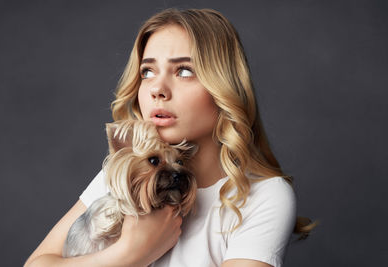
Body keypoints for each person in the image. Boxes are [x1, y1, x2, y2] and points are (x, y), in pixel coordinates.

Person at [25, 8, 314, 267]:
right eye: (147, 71)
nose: (157, 89)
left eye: (184, 71)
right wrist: (128, 254)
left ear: (224, 87)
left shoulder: (262, 197)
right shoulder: (127, 172)